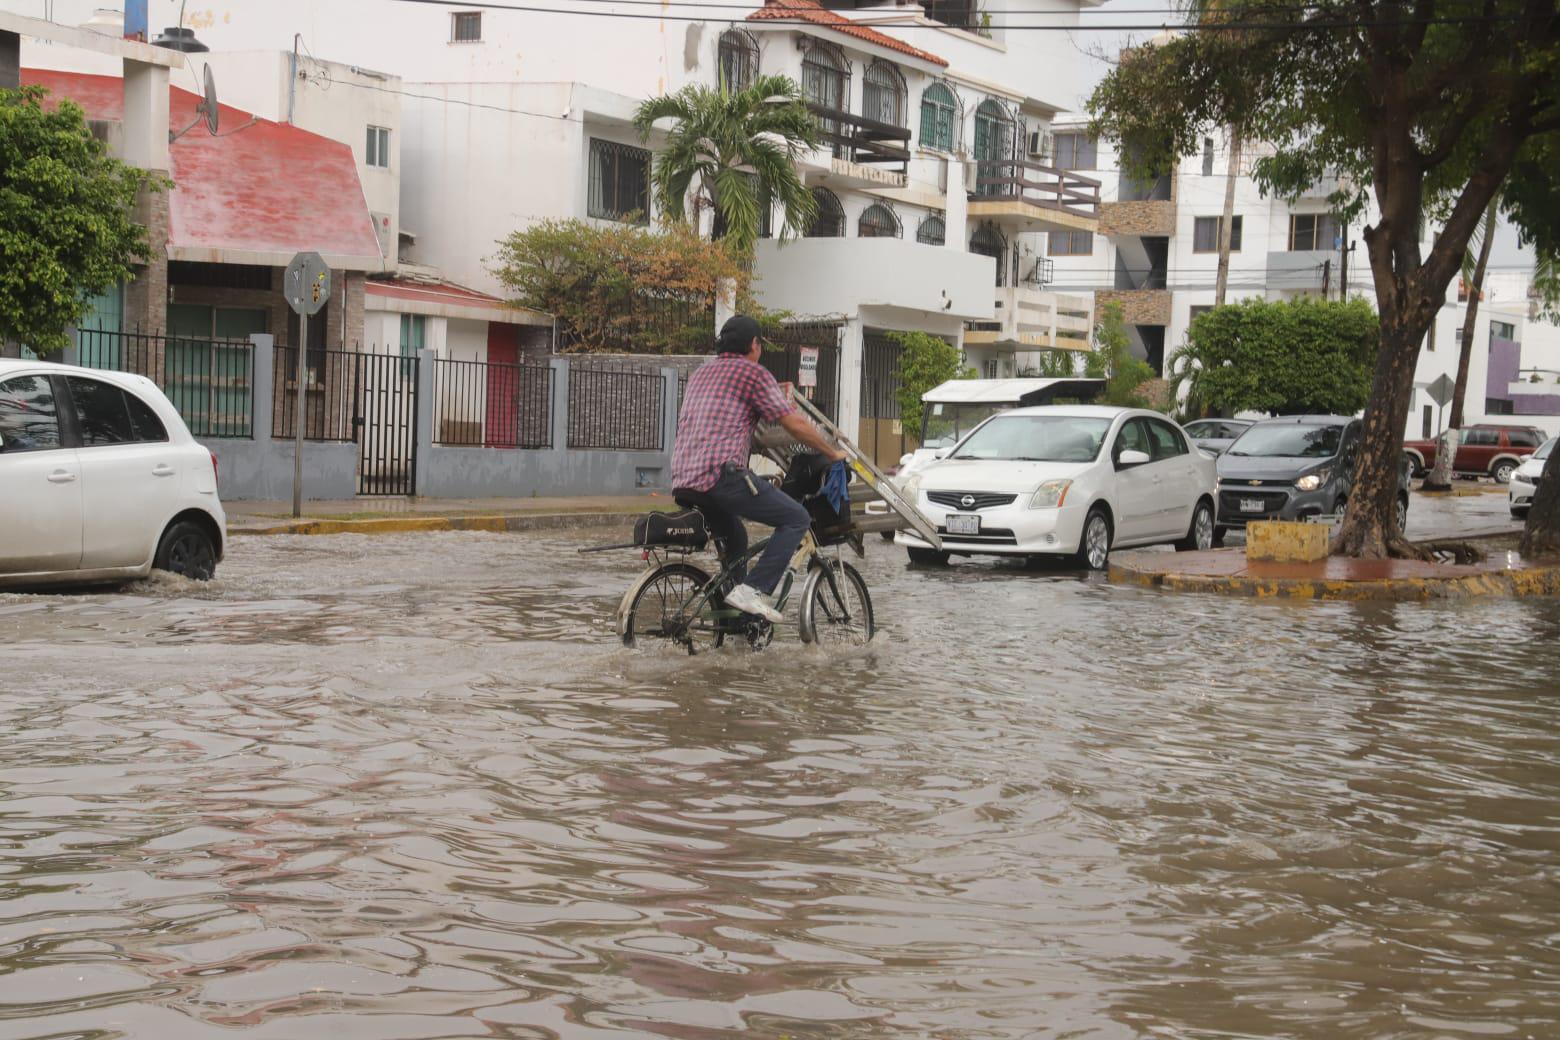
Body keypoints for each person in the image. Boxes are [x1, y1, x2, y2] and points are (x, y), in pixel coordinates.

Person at [671, 315, 846, 623]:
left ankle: (735, 619)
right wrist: (831, 452)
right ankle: (751, 590)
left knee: (736, 536)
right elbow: (793, 423)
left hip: (685, 479)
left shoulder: (701, 374)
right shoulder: (752, 373)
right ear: (754, 345)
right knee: (796, 518)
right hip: (721, 477)